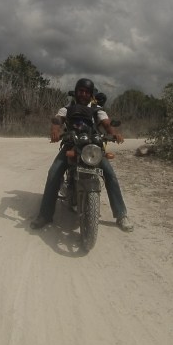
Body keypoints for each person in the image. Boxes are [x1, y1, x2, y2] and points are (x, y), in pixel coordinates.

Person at [30, 78, 134, 232]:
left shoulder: (97, 109)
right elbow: (58, 119)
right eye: (81, 91)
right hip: (71, 145)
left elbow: (106, 123)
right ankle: (45, 215)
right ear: (76, 92)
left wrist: (114, 133)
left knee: (110, 174)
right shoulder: (67, 108)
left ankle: (121, 215)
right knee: (53, 173)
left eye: (86, 92)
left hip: (92, 148)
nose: (83, 94)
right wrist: (55, 130)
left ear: (91, 94)